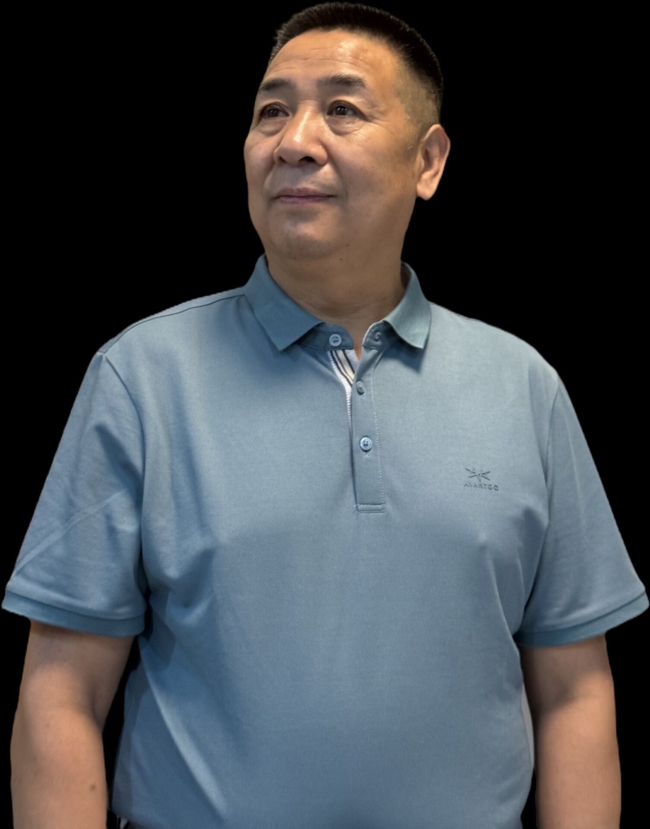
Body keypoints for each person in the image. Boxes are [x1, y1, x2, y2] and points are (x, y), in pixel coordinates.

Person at [5, 3, 647, 828]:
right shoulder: (141, 378)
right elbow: (60, 692)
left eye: (342, 109)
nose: (294, 141)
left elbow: (574, 692)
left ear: (429, 161)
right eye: (271, 111)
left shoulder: (523, 386)